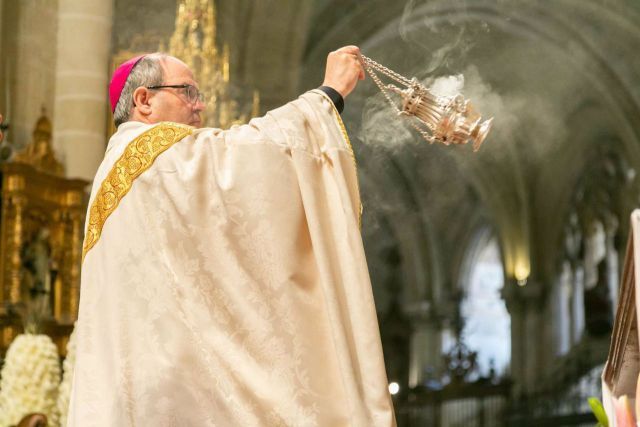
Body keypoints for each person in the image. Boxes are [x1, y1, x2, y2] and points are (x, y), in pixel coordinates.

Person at [68, 45, 396, 426]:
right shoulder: (149, 154)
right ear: (144, 100)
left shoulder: (115, 172)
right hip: (174, 390)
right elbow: (247, 159)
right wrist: (328, 94)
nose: (199, 107)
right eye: (187, 91)